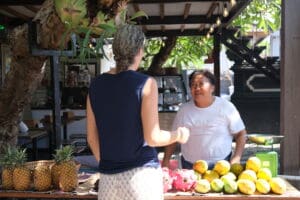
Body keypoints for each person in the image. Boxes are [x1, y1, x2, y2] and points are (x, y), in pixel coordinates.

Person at [86, 24, 190, 200]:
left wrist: (109, 164)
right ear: (140, 51)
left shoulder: (96, 85)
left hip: (108, 182)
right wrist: (179, 134)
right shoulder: (145, 84)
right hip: (141, 179)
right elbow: (153, 137)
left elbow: (91, 138)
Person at [162, 69, 247, 170]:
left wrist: (236, 158)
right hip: (190, 166)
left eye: (201, 84)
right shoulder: (184, 110)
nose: (197, 88)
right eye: (193, 85)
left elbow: (241, 134)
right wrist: (166, 161)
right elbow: (173, 137)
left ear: (212, 87)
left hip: (221, 166)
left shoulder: (226, 107)